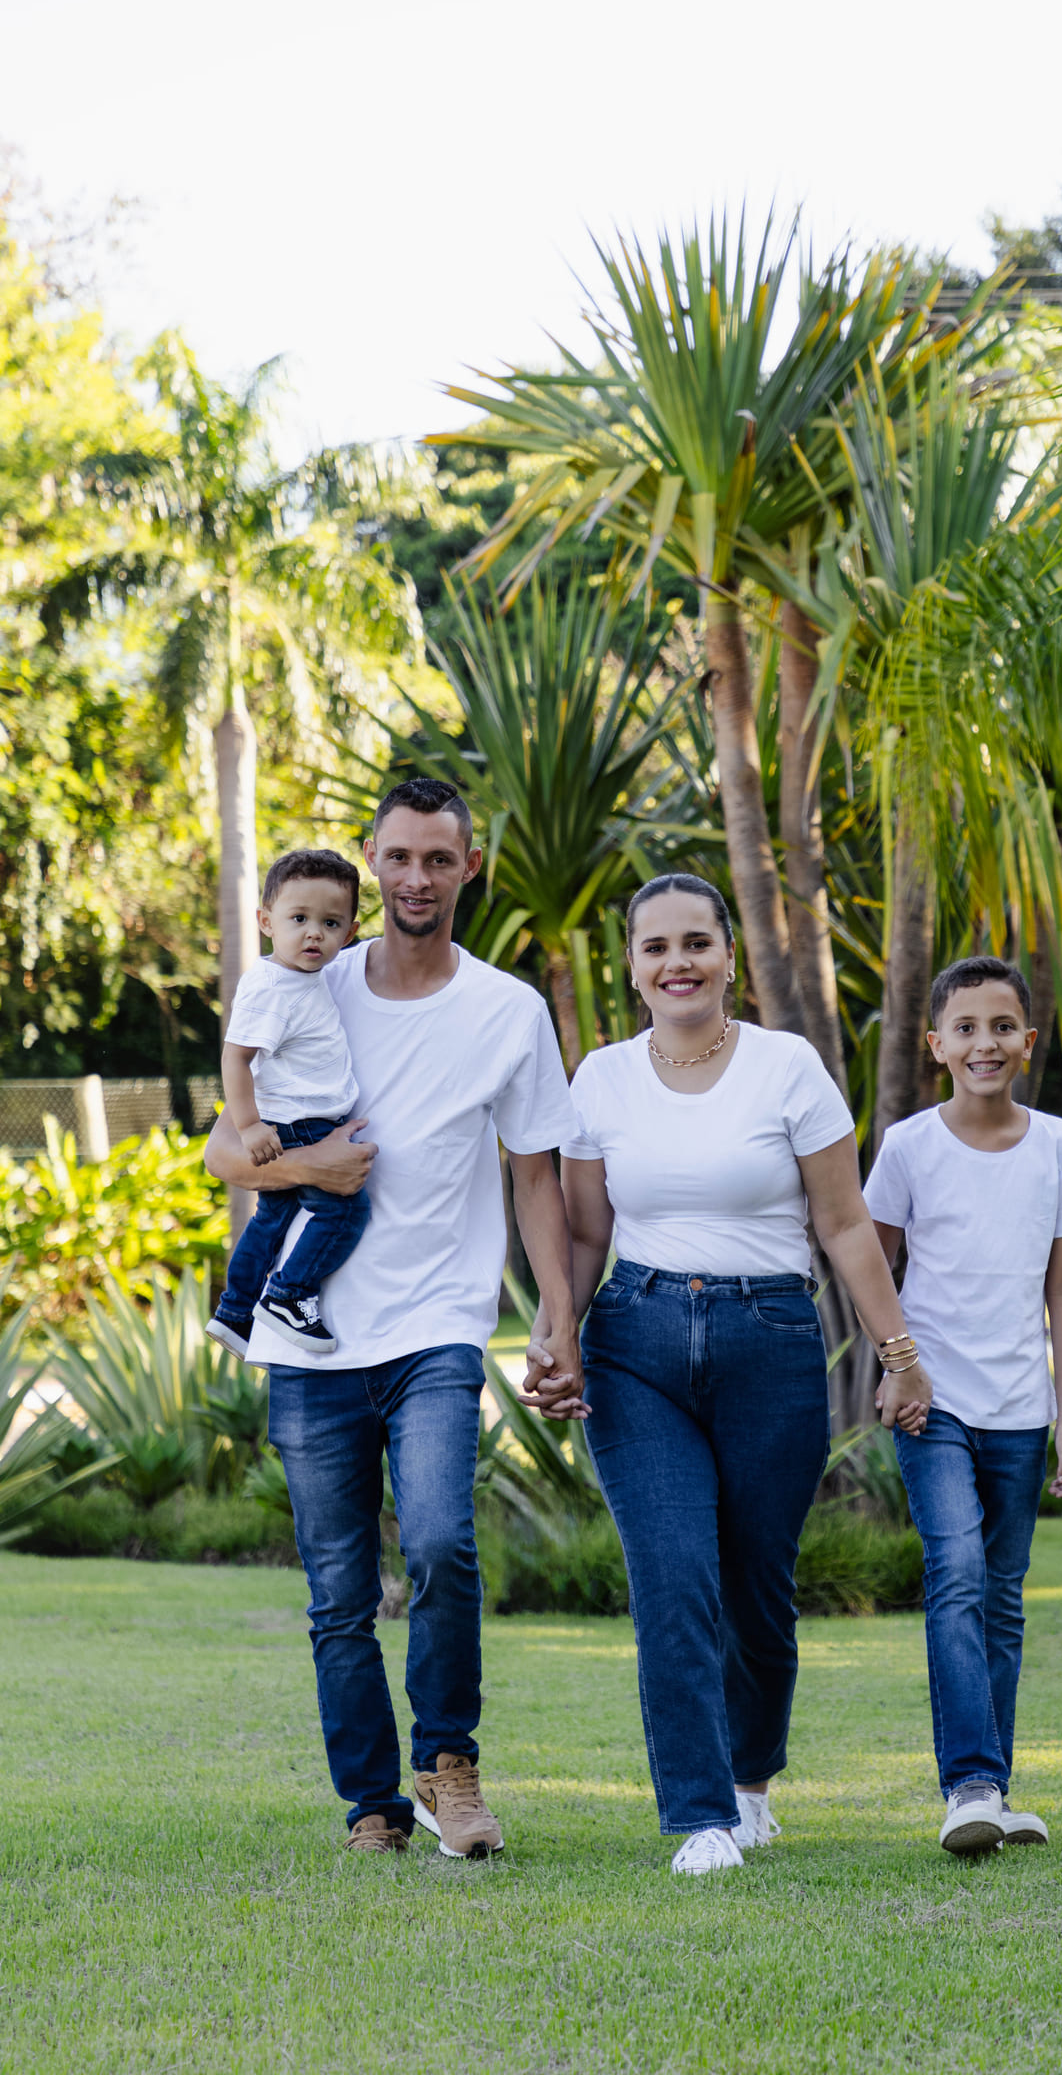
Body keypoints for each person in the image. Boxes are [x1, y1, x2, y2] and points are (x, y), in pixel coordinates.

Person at [204, 778, 582, 1859]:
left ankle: (449, 1768)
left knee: (443, 1542)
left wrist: (558, 1313)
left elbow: (536, 1176)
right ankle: (372, 1804)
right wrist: (313, 1163)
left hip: (436, 1327)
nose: (418, 877)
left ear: (471, 869)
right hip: (308, 1335)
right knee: (335, 1589)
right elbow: (226, 1148)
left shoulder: (508, 1011)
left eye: (439, 859)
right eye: (400, 858)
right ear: (371, 862)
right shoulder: (308, 981)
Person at [532, 872, 932, 1876]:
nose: (679, 964)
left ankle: (753, 1782)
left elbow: (843, 1226)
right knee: (673, 1579)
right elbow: (585, 1235)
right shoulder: (601, 1082)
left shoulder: (787, 1069)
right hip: (638, 1342)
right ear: (632, 967)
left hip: (773, 1341)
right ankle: (700, 1816)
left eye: (696, 943)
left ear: (729, 956)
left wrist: (900, 1354)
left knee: (757, 1591)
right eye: (657, 947)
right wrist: (557, 1336)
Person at [863, 955, 1062, 1859]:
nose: (984, 1043)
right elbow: (869, 1264)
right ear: (936, 1046)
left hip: (1021, 1408)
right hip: (934, 1403)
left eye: (1001, 1027)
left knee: (1001, 1599)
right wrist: (895, 1366)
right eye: (964, 1029)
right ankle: (968, 1782)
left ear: (1027, 1041)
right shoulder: (909, 1146)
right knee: (956, 1569)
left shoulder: (1058, 1146)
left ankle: (993, 1791)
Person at [207, 848, 369, 1359]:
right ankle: (289, 1294)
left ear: (350, 931)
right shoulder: (273, 988)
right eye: (298, 919)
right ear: (266, 921)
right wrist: (250, 1126)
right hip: (298, 1126)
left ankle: (235, 1313)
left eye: (330, 922)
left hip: (296, 1121)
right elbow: (235, 1060)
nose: (314, 933)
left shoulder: (298, 979)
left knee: (271, 1221)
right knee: (344, 1214)